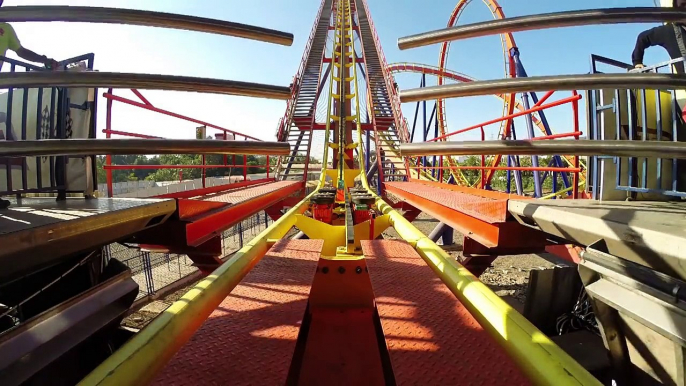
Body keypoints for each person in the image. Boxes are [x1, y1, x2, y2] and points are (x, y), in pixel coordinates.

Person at [632, 0, 686, 73]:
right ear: (676, 10)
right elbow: (643, 37)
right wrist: (637, 62)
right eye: (683, 5)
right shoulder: (669, 31)